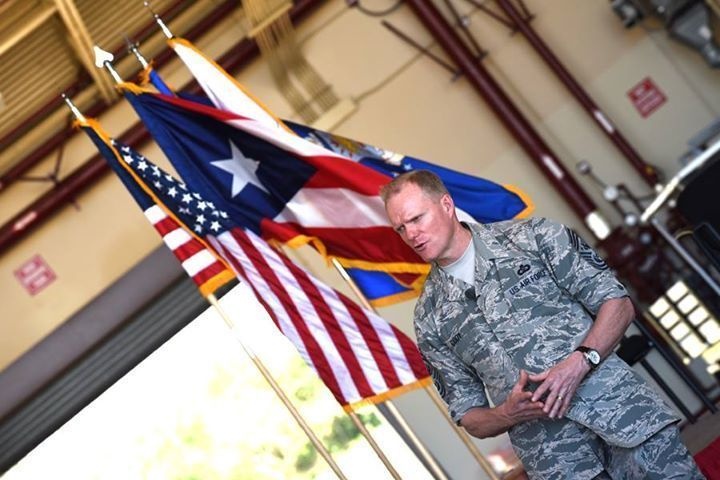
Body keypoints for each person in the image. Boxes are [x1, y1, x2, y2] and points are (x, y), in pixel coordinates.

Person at [381, 170, 704, 479]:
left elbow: (618, 305)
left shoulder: (532, 238)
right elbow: (469, 415)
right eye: (400, 229)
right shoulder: (430, 317)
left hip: (623, 417)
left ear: (446, 205)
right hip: (558, 461)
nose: (411, 234)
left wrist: (580, 361)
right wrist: (507, 413)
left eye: (416, 218)